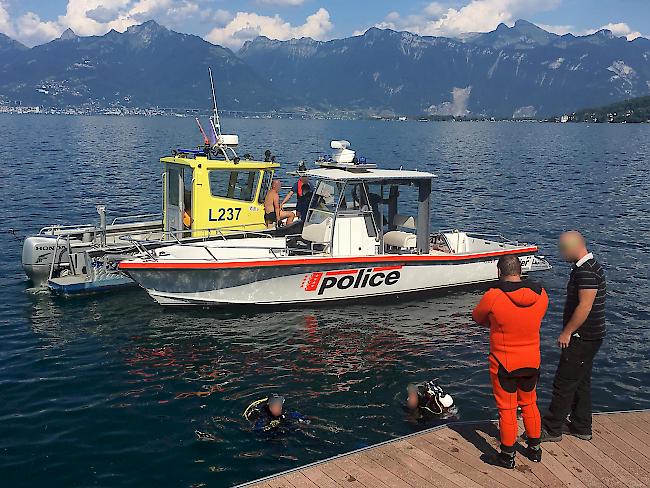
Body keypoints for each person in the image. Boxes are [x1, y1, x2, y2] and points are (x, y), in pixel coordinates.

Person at [472, 255, 549, 469]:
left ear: (499, 272)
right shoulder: (541, 294)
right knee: (529, 403)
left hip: (504, 361)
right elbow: (535, 316)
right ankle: (535, 450)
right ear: (520, 271)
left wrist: (495, 324)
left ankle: (507, 456)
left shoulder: (494, 295)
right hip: (532, 360)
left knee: (507, 409)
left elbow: (477, 317)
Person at [541, 231, 606, 442]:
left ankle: (552, 428)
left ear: (574, 247)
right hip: (592, 335)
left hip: (582, 336)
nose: (561, 254)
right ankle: (581, 425)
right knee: (581, 381)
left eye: (563, 250)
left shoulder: (585, 272)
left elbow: (585, 306)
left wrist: (567, 332)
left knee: (564, 382)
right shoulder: (590, 267)